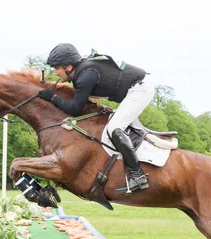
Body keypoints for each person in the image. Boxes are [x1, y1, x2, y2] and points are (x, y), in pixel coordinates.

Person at [39, 43, 153, 192]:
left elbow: (75, 109)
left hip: (139, 90)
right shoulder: (82, 72)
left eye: (56, 68)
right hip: (133, 91)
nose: (55, 73)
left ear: (68, 67)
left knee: (114, 127)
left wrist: (52, 98)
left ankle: (138, 176)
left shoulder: (86, 76)